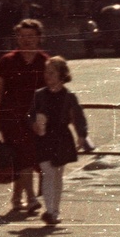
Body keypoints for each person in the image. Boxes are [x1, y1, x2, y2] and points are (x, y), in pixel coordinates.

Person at [0, 19, 50, 214]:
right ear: (17, 38)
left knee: (25, 157)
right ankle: (31, 199)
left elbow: (52, 91)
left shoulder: (45, 61)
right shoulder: (7, 61)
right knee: (25, 154)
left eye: (31, 37)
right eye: (23, 36)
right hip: (11, 117)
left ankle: (16, 199)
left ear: (39, 38)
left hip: (36, 118)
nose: (27, 41)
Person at [30, 56, 93, 225]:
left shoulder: (69, 96)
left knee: (57, 176)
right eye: (46, 72)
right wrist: (35, 124)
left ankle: (54, 211)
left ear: (61, 75)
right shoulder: (39, 95)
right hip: (43, 138)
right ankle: (50, 211)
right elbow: (30, 116)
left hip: (61, 137)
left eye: (51, 73)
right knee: (48, 173)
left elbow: (78, 117)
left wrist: (81, 134)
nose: (47, 76)